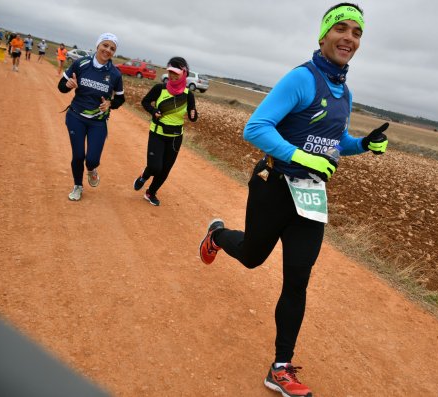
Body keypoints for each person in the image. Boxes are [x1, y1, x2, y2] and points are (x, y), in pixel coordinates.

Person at [198, 3, 389, 396]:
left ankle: (281, 367)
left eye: (357, 33)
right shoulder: (302, 79)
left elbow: (333, 146)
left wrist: (364, 145)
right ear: (323, 36)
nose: (349, 38)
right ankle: (218, 236)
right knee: (252, 257)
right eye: (342, 29)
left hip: (311, 198)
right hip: (274, 186)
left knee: (297, 281)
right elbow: (255, 128)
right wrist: (301, 156)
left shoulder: (345, 93)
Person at [57, 33, 125, 201]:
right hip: (76, 117)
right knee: (78, 155)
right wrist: (68, 85)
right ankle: (77, 186)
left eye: (112, 48)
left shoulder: (115, 74)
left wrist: (110, 104)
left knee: (92, 159)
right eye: (105, 45)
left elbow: (120, 99)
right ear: (98, 46)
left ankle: (92, 169)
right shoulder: (81, 64)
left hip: (98, 122)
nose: (107, 50)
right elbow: (61, 87)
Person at [133, 57, 198, 206]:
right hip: (157, 133)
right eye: (170, 72)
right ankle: (145, 175)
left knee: (165, 170)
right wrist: (153, 111)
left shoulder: (188, 95)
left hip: (175, 137)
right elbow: (145, 102)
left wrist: (193, 114)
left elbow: (192, 113)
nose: (172, 76)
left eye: (176, 73)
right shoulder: (159, 89)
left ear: (184, 74)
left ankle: (151, 193)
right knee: (155, 167)